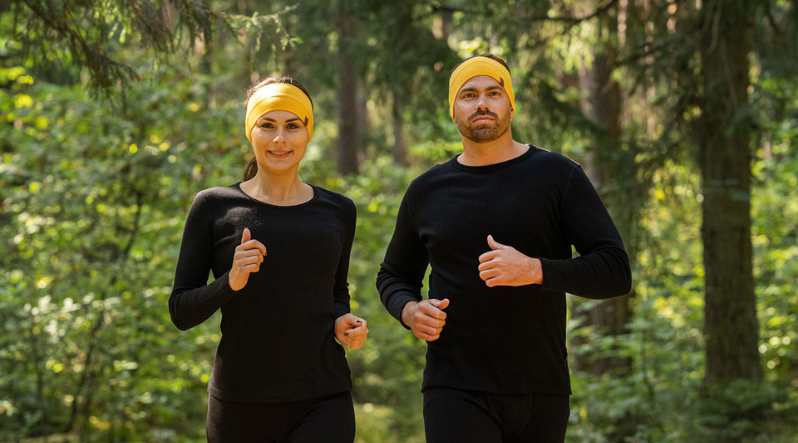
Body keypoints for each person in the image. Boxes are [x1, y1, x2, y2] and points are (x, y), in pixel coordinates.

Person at [376, 54, 632, 443]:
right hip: (454, 386)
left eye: (494, 93)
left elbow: (615, 271)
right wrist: (409, 311)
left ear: (510, 105)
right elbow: (393, 276)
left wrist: (535, 270)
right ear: (453, 110)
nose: (482, 103)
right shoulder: (427, 191)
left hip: (540, 388)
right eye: (469, 94)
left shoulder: (558, 176)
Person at [169, 76, 368, 443]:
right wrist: (230, 281)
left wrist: (343, 318)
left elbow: (336, 290)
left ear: (308, 133)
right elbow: (181, 311)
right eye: (267, 125)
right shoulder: (214, 207)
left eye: (293, 126)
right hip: (240, 403)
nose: (280, 138)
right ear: (251, 132)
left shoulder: (338, 210)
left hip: (324, 397)